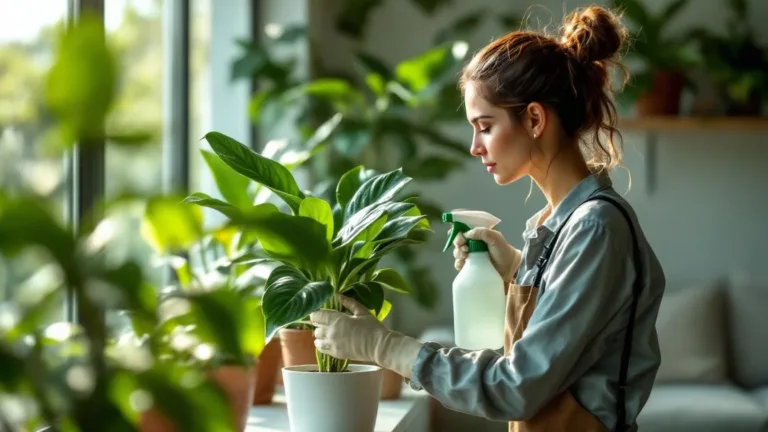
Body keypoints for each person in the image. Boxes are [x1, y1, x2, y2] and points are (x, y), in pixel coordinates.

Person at [310, 5, 666, 431]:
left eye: (485, 125)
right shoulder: (561, 226)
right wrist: (516, 268)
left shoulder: (594, 228)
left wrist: (386, 347)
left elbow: (516, 387)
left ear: (534, 119)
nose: (475, 147)